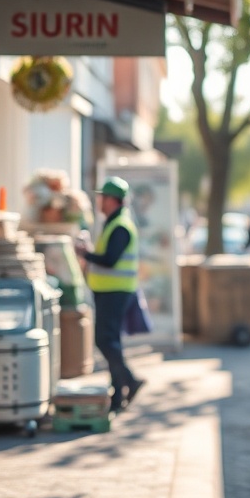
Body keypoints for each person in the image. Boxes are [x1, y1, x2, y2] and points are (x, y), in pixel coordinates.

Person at [83, 176, 145, 415]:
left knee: (105, 340)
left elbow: (110, 259)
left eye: (102, 197)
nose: (99, 202)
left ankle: (129, 381)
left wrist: (85, 253)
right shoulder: (113, 223)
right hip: (110, 290)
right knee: (111, 341)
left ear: (112, 200)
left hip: (115, 291)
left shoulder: (120, 226)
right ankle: (119, 393)